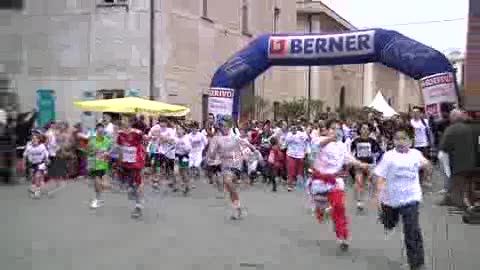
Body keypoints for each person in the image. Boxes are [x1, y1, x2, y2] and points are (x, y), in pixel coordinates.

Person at [373, 124, 432, 270]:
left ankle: (417, 263)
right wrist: (378, 195)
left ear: (410, 141)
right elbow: (379, 176)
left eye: (403, 139)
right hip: (391, 198)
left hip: (411, 197)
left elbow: (426, 165)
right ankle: (388, 221)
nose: (400, 142)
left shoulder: (416, 154)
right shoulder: (388, 156)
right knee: (389, 222)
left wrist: (427, 171)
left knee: (412, 230)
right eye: (397, 139)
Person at [307, 119, 369, 251]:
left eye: (338, 128)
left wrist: (361, 164)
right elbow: (316, 148)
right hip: (319, 182)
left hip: (335, 181)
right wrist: (330, 139)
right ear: (326, 130)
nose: (335, 131)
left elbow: (349, 158)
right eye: (332, 128)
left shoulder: (341, 146)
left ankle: (342, 237)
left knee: (339, 207)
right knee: (322, 212)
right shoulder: (318, 140)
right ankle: (323, 211)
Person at [207, 115, 255, 219]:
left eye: (225, 125)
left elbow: (249, 146)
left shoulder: (235, 137)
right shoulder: (217, 139)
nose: (223, 127)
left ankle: (237, 208)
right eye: (221, 125)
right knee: (229, 187)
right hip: (225, 165)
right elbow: (212, 155)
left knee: (228, 182)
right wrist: (213, 155)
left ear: (229, 125)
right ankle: (237, 208)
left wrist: (254, 154)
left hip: (236, 164)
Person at [350, 122, 382, 212]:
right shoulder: (355, 141)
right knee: (359, 181)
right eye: (363, 128)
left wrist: (375, 155)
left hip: (370, 165)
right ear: (360, 130)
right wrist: (353, 162)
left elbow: (379, 152)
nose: (365, 130)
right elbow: (351, 153)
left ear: (369, 131)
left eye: (367, 129)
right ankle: (359, 201)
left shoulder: (372, 141)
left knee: (372, 183)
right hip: (359, 164)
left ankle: (378, 201)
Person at [117, 127, 146, 218]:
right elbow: (119, 147)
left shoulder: (137, 133)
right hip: (126, 163)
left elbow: (145, 138)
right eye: (122, 120)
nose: (124, 123)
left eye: (126, 120)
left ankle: (138, 206)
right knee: (130, 187)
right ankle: (138, 199)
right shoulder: (121, 134)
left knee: (136, 184)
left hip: (136, 163)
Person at [88, 123, 112, 209]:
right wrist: (94, 153)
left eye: (102, 131)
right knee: (96, 184)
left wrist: (107, 154)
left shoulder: (107, 141)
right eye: (99, 131)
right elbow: (89, 153)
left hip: (104, 165)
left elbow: (110, 151)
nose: (100, 133)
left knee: (98, 183)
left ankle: (97, 199)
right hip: (95, 165)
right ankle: (98, 198)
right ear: (96, 131)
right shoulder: (92, 141)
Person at [23, 133, 49, 198]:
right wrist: (23, 164)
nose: (34, 140)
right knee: (34, 178)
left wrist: (47, 160)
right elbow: (24, 156)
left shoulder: (42, 146)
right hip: (32, 164)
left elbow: (46, 155)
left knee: (37, 176)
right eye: (33, 138)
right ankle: (39, 188)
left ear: (38, 140)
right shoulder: (29, 147)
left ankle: (37, 192)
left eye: (35, 138)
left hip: (40, 164)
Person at [285, 124, 309, 191]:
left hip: (300, 155)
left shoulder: (303, 133)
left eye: (296, 127)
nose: (295, 128)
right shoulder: (289, 134)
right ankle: (290, 185)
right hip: (291, 154)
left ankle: (300, 184)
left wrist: (306, 152)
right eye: (293, 127)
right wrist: (293, 134)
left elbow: (306, 140)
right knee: (291, 169)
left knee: (300, 171)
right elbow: (287, 141)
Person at [174, 125, 192, 195]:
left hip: (184, 156)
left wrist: (184, 146)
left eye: (180, 129)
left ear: (183, 131)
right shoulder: (175, 138)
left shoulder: (186, 138)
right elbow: (172, 144)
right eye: (177, 129)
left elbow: (189, 149)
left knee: (183, 173)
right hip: (177, 156)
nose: (178, 131)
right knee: (175, 171)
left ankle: (187, 186)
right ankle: (178, 184)